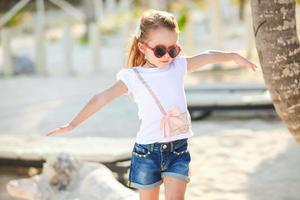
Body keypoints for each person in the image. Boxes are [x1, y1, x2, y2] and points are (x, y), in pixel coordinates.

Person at [46, 9, 257, 200]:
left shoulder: (177, 66)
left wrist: (232, 56)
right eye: (160, 51)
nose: (168, 56)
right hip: (147, 152)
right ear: (142, 47)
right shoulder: (133, 76)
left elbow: (207, 57)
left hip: (178, 149)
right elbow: (100, 98)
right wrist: (73, 124)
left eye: (173, 50)